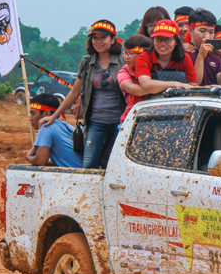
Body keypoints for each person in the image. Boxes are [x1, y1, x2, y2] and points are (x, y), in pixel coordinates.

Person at [39, 19, 125, 168]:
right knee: (89, 166)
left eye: (103, 37)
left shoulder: (123, 60)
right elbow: (74, 92)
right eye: (95, 38)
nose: (98, 41)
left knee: (114, 167)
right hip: (96, 124)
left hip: (120, 124)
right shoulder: (86, 63)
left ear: (112, 40)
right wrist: (54, 115)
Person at [134, 19, 197, 96]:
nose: (162, 43)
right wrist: (176, 84)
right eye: (158, 39)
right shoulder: (143, 57)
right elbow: (146, 84)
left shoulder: (185, 58)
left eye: (168, 39)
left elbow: (192, 85)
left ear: (176, 42)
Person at [26, 93, 83, 168]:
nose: (30, 118)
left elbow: (40, 161)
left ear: (46, 113)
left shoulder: (46, 127)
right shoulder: (65, 125)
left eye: (33, 114)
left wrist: (28, 156)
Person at [187, 9, 221, 86]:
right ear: (190, 31)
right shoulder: (184, 54)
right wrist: (200, 57)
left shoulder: (215, 59)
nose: (207, 36)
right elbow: (194, 84)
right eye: (202, 31)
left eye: (211, 32)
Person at [118, 35, 155, 122]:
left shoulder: (156, 68)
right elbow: (131, 88)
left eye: (131, 53)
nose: (127, 57)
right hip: (131, 120)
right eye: (126, 53)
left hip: (155, 118)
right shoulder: (124, 72)